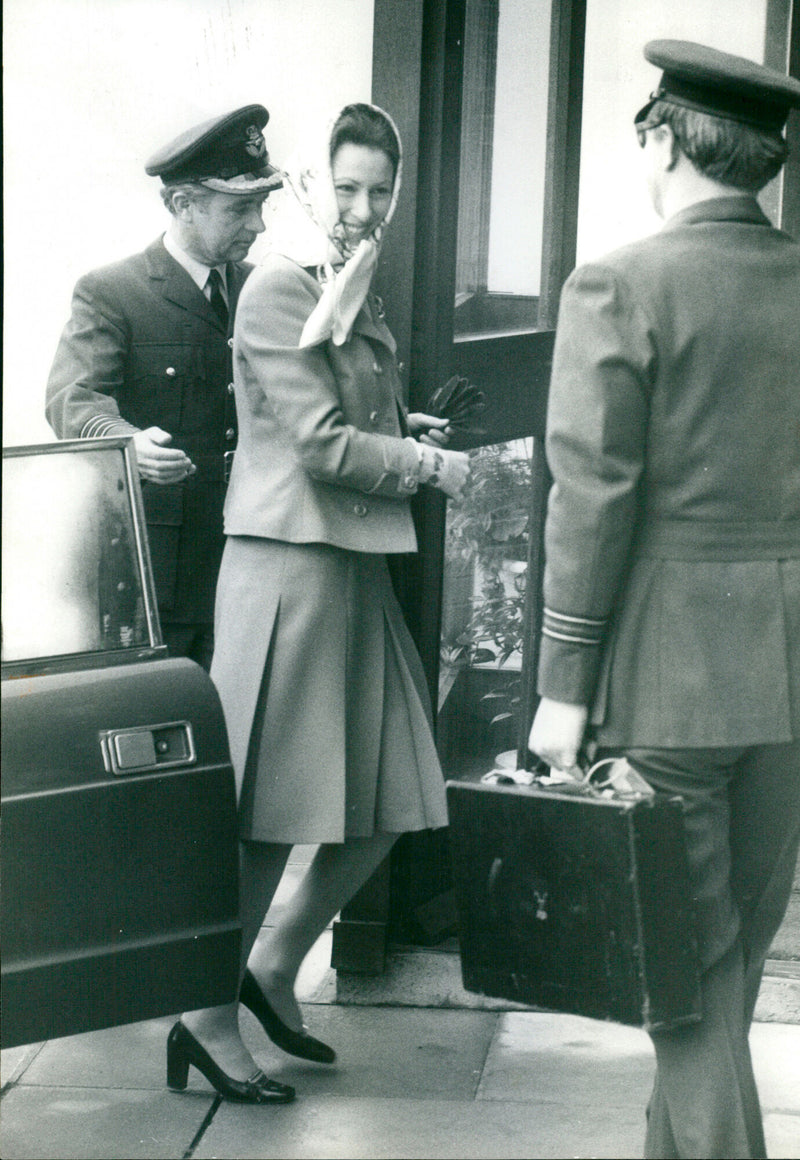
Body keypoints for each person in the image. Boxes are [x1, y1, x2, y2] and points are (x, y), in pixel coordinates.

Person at [165, 102, 470, 1104]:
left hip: (350, 563)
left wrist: (403, 422)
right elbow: (320, 443)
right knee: (262, 817)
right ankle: (203, 1018)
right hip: (288, 567)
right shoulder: (276, 284)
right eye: (346, 187)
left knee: (394, 794)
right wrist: (425, 464)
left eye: (380, 190)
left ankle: (271, 964)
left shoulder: (346, 275)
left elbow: (344, 410)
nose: (363, 207)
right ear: (314, 185)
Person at [528, 39, 800, 1159]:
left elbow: (590, 498)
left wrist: (561, 688)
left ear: (663, 140)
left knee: (684, 973)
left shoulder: (618, 284)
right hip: (788, 674)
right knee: (726, 955)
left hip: (667, 672)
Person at [45, 105, 283, 670]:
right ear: (182, 205)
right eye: (240, 208)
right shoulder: (113, 292)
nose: (259, 226)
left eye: (261, 206)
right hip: (156, 579)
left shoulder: (264, 290)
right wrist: (127, 442)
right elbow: (71, 398)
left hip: (251, 563)